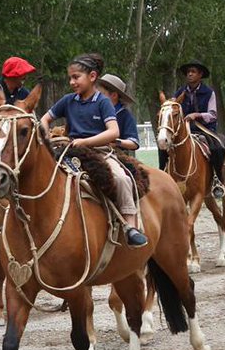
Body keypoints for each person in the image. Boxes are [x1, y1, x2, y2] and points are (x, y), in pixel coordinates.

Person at [40, 53, 148, 247]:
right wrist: (46, 135)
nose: (72, 82)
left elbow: (113, 132)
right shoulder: (67, 100)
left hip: (99, 152)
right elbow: (45, 118)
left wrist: (85, 141)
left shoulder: (103, 102)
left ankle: (130, 226)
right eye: (70, 78)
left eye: (76, 77)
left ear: (92, 76)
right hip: (69, 151)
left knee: (121, 178)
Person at [164, 60, 225, 198]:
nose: (190, 74)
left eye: (193, 72)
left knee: (217, 148)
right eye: (188, 72)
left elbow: (213, 115)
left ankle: (217, 181)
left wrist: (197, 115)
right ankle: (163, 175)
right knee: (164, 145)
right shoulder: (180, 92)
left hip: (204, 128)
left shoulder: (209, 93)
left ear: (200, 75)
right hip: (184, 129)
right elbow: (172, 105)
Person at [96, 73, 140, 153]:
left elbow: (134, 143)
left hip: (115, 155)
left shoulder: (125, 115)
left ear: (114, 95)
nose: (97, 97)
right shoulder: (93, 111)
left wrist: (116, 142)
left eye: (101, 94)